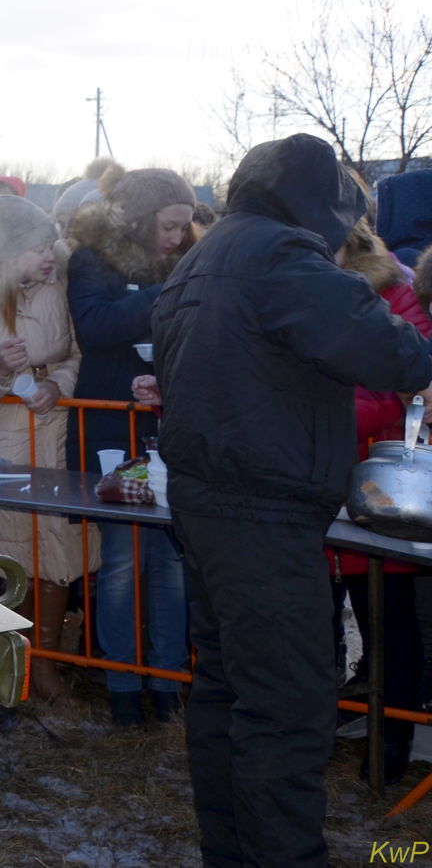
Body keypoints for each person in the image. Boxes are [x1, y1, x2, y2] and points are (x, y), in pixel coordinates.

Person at [153, 133, 432, 868]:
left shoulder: (205, 255)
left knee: (225, 693)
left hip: (205, 504)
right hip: (263, 514)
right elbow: (387, 349)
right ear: (315, 205)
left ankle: (230, 852)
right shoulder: (280, 255)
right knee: (285, 709)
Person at [66, 164, 196, 726]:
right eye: (169, 226)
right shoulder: (91, 258)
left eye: (184, 227)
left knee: (169, 560)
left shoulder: (182, 261)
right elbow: (94, 326)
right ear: (140, 219)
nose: (177, 237)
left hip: (168, 427)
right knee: (121, 560)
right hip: (112, 430)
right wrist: (167, 294)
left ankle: (168, 686)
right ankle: (122, 687)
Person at [0, 196, 84, 702]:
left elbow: (75, 353)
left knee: (58, 551)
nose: (49, 256)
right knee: (11, 555)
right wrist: (0, 371)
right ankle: (12, 664)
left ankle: (46, 664)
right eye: (37, 248)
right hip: (5, 442)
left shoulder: (58, 286)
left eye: (50, 245)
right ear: (8, 252)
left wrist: (58, 384)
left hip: (59, 431)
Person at [327, 212, 432, 779]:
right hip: (314, 478)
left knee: (386, 620)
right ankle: (319, 732)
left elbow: (407, 384)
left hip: (381, 485)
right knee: (316, 621)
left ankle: (391, 746)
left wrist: (312, 415)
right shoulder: (298, 291)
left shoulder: (393, 295)